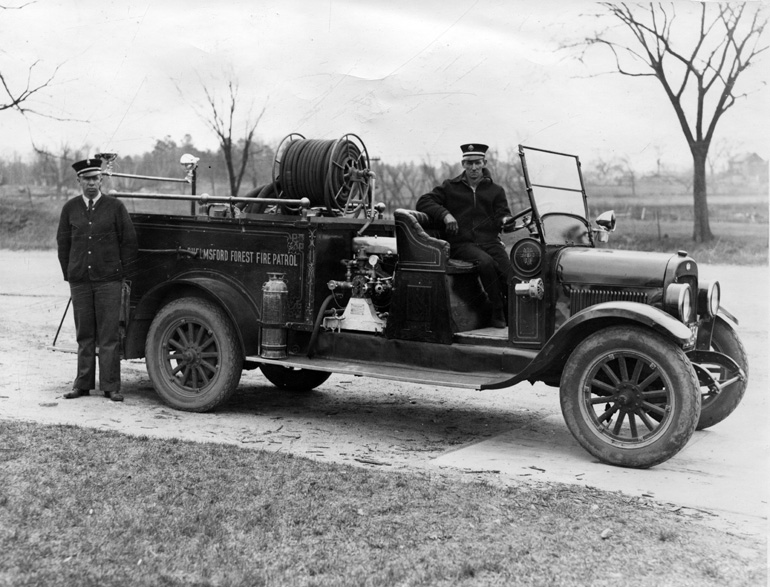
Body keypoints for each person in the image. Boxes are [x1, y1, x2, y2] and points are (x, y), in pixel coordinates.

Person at [56, 157, 138, 401]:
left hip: (109, 282)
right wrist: (70, 273)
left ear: (101, 179)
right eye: (86, 179)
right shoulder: (70, 209)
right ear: (78, 181)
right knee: (84, 334)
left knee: (109, 334)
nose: (91, 183)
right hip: (80, 281)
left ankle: (111, 386)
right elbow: (63, 244)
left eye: (95, 178)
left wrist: (122, 275)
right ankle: (82, 384)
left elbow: (129, 242)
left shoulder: (115, 207)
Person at [416, 143, 514, 329]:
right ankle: (497, 311)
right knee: (486, 263)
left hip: (490, 241)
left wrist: (506, 220)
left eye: (477, 163)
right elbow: (423, 201)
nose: (474, 168)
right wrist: (446, 215)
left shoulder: (496, 191)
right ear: (463, 164)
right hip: (462, 244)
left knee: (510, 274)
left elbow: (503, 214)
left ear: (484, 163)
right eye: (469, 163)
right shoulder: (450, 187)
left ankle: (514, 314)